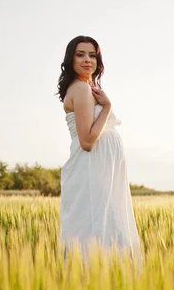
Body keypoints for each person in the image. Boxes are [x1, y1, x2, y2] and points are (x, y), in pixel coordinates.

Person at [56, 35, 142, 265]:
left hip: (101, 171)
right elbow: (87, 141)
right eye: (80, 54)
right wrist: (107, 107)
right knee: (99, 230)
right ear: (70, 59)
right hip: (92, 170)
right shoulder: (82, 90)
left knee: (103, 228)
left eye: (92, 55)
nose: (87, 60)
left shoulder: (87, 88)